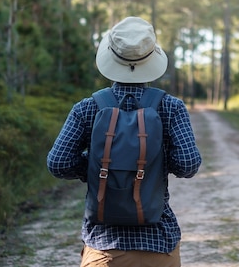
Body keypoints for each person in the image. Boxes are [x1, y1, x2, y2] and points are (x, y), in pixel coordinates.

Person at [47, 16, 202, 267]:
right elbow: (188, 164)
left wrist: (95, 166)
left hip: (103, 246)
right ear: (152, 58)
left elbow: (58, 163)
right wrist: (155, 162)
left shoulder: (87, 108)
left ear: (109, 57)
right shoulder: (171, 107)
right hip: (159, 243)